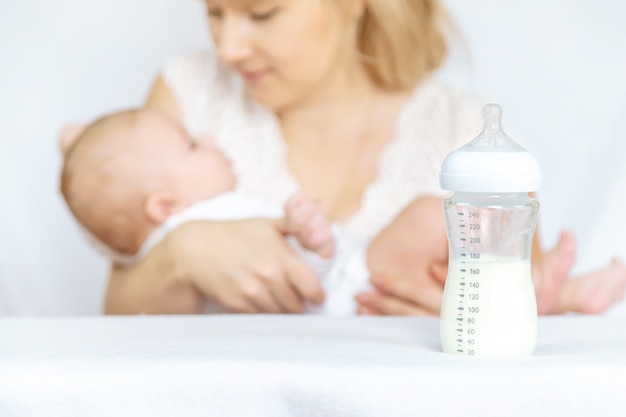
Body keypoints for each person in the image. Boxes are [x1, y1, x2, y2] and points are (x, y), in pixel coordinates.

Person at [61, 0, 625, 315]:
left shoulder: (468, 129)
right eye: (214, 12)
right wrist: (178, 256)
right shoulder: (188, 94)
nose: (229, 48)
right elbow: (121, 321)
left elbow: (521, 308)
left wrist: (464, 316)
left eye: (262, 15)